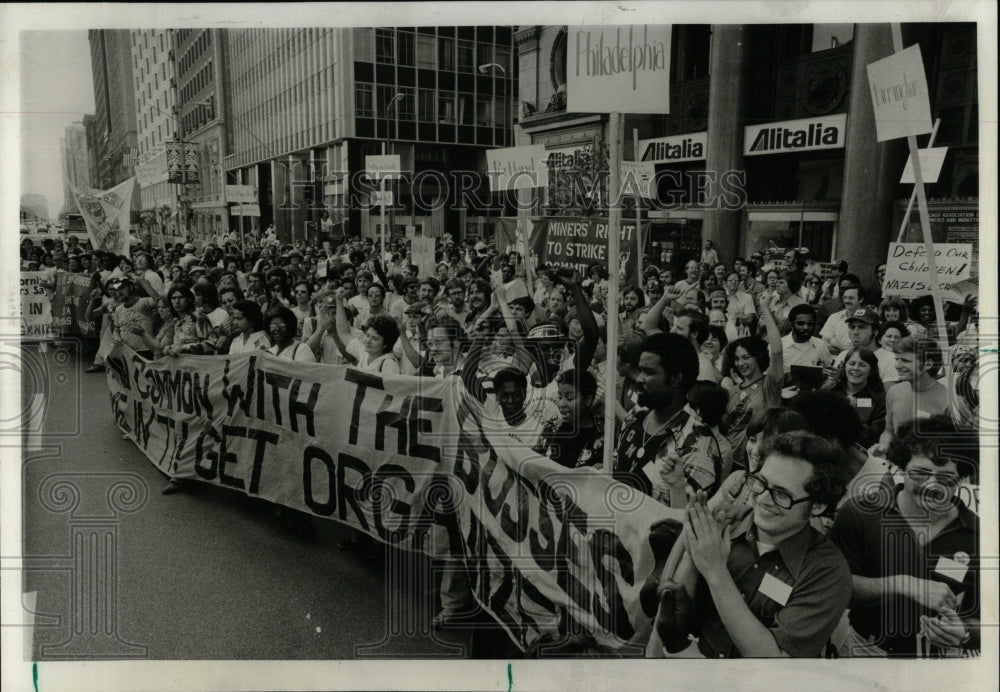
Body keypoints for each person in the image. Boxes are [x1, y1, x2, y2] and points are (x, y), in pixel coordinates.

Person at [653, 431, 851, 657]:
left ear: (817, 506)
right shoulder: (722, 521)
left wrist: (716, 571)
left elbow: (773, 662)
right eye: (760, 483)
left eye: (781, 494)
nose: (764, 499)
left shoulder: (828, 572)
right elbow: (672, 616)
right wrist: (692, 555)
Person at [830, 416, 979, 657]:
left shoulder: (978, 534)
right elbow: (833, 589)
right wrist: (902, 584)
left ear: (961, 478)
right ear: (901, 466)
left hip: (942, 662)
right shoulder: (859, 514)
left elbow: (989, 616)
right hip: (867, 652)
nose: (933, 485)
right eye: (920, 473)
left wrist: (967, 633)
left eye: (946, 477)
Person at [720, 296, 784, 469]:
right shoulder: (733, 390)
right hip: (727, 461)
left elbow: (777, 351)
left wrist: (764, 307)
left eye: (746, 357)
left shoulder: (769, 385)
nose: (741, 363)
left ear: (758, 357)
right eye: (737, 359)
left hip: (756, 461)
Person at [876, 336, 950, 454]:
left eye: (905, 361)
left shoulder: (947, 401)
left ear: (927, 364)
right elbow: (888, 431)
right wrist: (884, 445)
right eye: (897, 359)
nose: (897, 366)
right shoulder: (894, 392)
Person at [534, 369, 603, 469]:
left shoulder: (600, 441)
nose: (561, 404)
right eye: (560, 397)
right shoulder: (551, 429)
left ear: (588, 400)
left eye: (570, 398)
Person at [820, 347, 886, 449]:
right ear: (844, 366)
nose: (856, 368)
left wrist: (849, 414)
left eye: (862, 365)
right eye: (851, 363)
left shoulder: (880, 398)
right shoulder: (829, 391)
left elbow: (873, 437)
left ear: (871, 370)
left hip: (859, 453)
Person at [819, 284, 866, 356]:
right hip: (833, 359)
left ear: (861, 299)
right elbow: (824, 342)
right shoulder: (834, 317)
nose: (847, 301)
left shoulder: (868, 319)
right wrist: (848, 350)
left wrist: (838, 345)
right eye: (845, 298)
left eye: (851, 298)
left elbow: (864, 349)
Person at [873, 320, 907, 386]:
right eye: (889, 336)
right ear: (879, 340)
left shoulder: (902, 359)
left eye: (897, 337)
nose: (892, 340)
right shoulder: (872, 355)